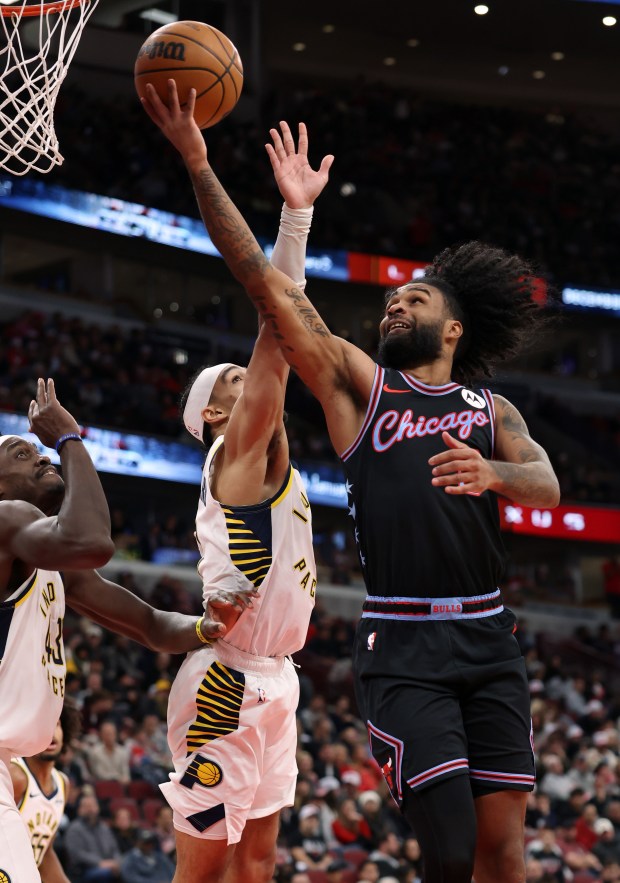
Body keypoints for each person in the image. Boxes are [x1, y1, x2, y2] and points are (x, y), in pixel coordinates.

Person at [143, 80, 561, 883]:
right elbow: (265, 288)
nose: (397, 301)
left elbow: (543, 484)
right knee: (445, 850)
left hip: (489, 634)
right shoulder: (357, 386)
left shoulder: (490, 406)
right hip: (404, 641)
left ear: (455, 327)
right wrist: (201, 163)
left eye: (418, 296)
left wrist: (496, 471)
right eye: (393, 296)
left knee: (505, 852)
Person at [155, 116, 328, 883]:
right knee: (203, 869)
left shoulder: (267, 457)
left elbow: (278, 324)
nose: (249, 377)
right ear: (216, 416)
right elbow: (274, 322)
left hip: (279, 675)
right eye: (233, 380)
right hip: (226, 678)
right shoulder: (235, 454)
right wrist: (291, 217)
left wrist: (299, 214)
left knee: (257, 863)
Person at [0, 380, 246, 883]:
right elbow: (92, 539)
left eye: (40, 449)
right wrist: (69, 439)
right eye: (22, 454)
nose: (40, 457)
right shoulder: (7, 518)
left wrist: (205, 627)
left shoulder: (45, 558)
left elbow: (150, 624)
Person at [10, 701, 82, 883]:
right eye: (43, 725)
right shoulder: (15, 775)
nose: (50, 732)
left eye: (56, 724)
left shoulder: (62, 784)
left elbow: (44, 854)